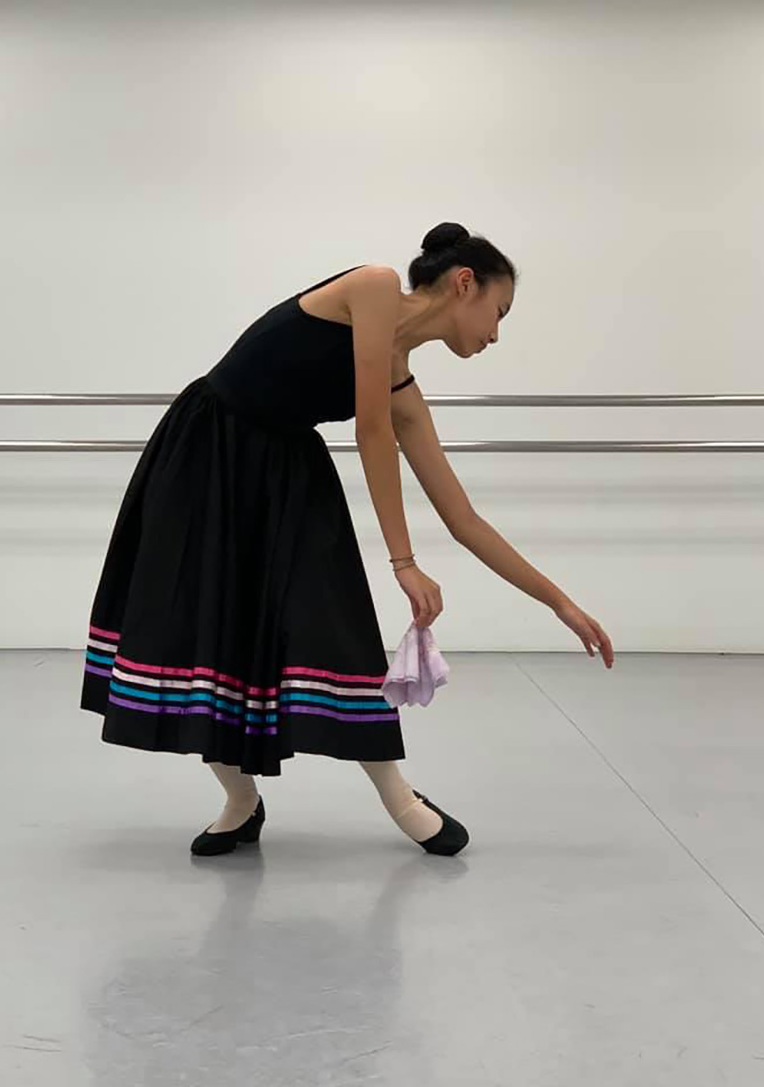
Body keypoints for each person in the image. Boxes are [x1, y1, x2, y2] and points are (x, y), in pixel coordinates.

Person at [80, 220, 615, 858]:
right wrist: (403, 562)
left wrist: (560, 602)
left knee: (337, 629)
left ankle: (401, 800)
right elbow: (370, 430)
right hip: (209, 453)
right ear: (464, 283)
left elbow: (462, 517)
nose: (496, 334)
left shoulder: (400, 384)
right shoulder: (374, 286)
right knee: (200, 630)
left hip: (286, 473)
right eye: (498, 313)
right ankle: (240, 800)